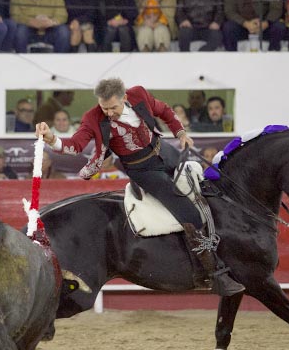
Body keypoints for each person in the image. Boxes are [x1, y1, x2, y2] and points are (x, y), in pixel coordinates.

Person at [35, 77, 244, 296]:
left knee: (201, 188)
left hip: (164, 152)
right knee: (188, 211)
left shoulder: (139, 95)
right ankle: (216, 273)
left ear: (125, 97)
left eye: (113, 107)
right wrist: (51, 138)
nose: (108, 113)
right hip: (143, 171)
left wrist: (180, 132)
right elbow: (75, 145)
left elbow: (163, 109)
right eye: (104, 108)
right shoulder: (93, 117)